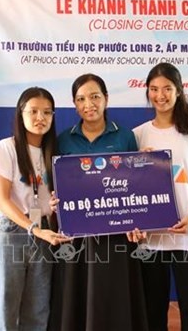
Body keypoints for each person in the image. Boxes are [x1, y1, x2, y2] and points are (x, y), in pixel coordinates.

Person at [48, 74, 148, 331]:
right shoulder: (63, 140)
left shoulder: (125, 137)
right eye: (81, 99)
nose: (88, 104)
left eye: (94, 96)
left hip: (115, 232)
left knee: (112, 296)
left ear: (106, 99)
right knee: (77, 295)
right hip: (77, 233)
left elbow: (134, 185)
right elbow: (55, 183)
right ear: (74, 104)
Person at [132, 62, 188, 331]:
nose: (160, 95)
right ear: (147, 92)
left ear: (179, 91)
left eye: (167, 89)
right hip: (152, 239)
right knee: (152, 310)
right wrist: (138, 163)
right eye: (154, 89)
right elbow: (128, 186)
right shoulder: (138, 135)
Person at [0, 87, 69, 331]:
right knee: (6, 310)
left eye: (47, 112)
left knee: (38, 311)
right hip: (12, 232)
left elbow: (44, 199)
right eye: (33, 111)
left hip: (44, 233)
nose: (40, 118)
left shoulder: (52, 152)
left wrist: (50, 208)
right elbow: (1, 199)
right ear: (20, 114)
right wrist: (33, 227)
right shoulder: (7, 147)